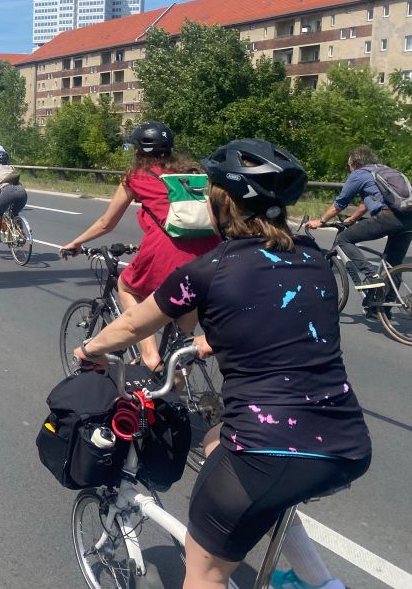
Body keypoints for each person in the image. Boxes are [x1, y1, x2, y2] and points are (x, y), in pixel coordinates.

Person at [73, 138, 371, 589]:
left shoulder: (208, 272)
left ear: (223, 204)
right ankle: (319, 581)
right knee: (217, 440)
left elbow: (133, 324)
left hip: (265, 449)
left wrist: (89, 350)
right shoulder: (316, 261)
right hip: (347, 442)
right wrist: (218, 336)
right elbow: (281, 318)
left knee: (205, 572)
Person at [59, 122, 221, 370]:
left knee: (127, 285)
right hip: (209, 253)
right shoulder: (191, 172)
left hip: (166, 250)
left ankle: (149, 355)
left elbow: (106, 223)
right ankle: (179, 391)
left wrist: (77, 242)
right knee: (181, 337)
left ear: (138, 151)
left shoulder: (136, 177)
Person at [309, 146, 412, 292]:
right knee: (392, 266)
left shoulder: (359, 174)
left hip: (388, 218)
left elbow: (340, 203)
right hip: (408, 220)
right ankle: (382, 310)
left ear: (355, 163)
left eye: (348, 166)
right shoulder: (383, 171)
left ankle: (370, 275)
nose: (349, 169)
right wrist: (352, 218)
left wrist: (321, 221)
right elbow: (366, 203)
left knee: (343, 239)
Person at [0, 150, 27, 235]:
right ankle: (20, 233)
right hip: (22, 192)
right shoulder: (12, 168)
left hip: (8, 192)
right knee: (15, 213)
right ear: (7, 160)